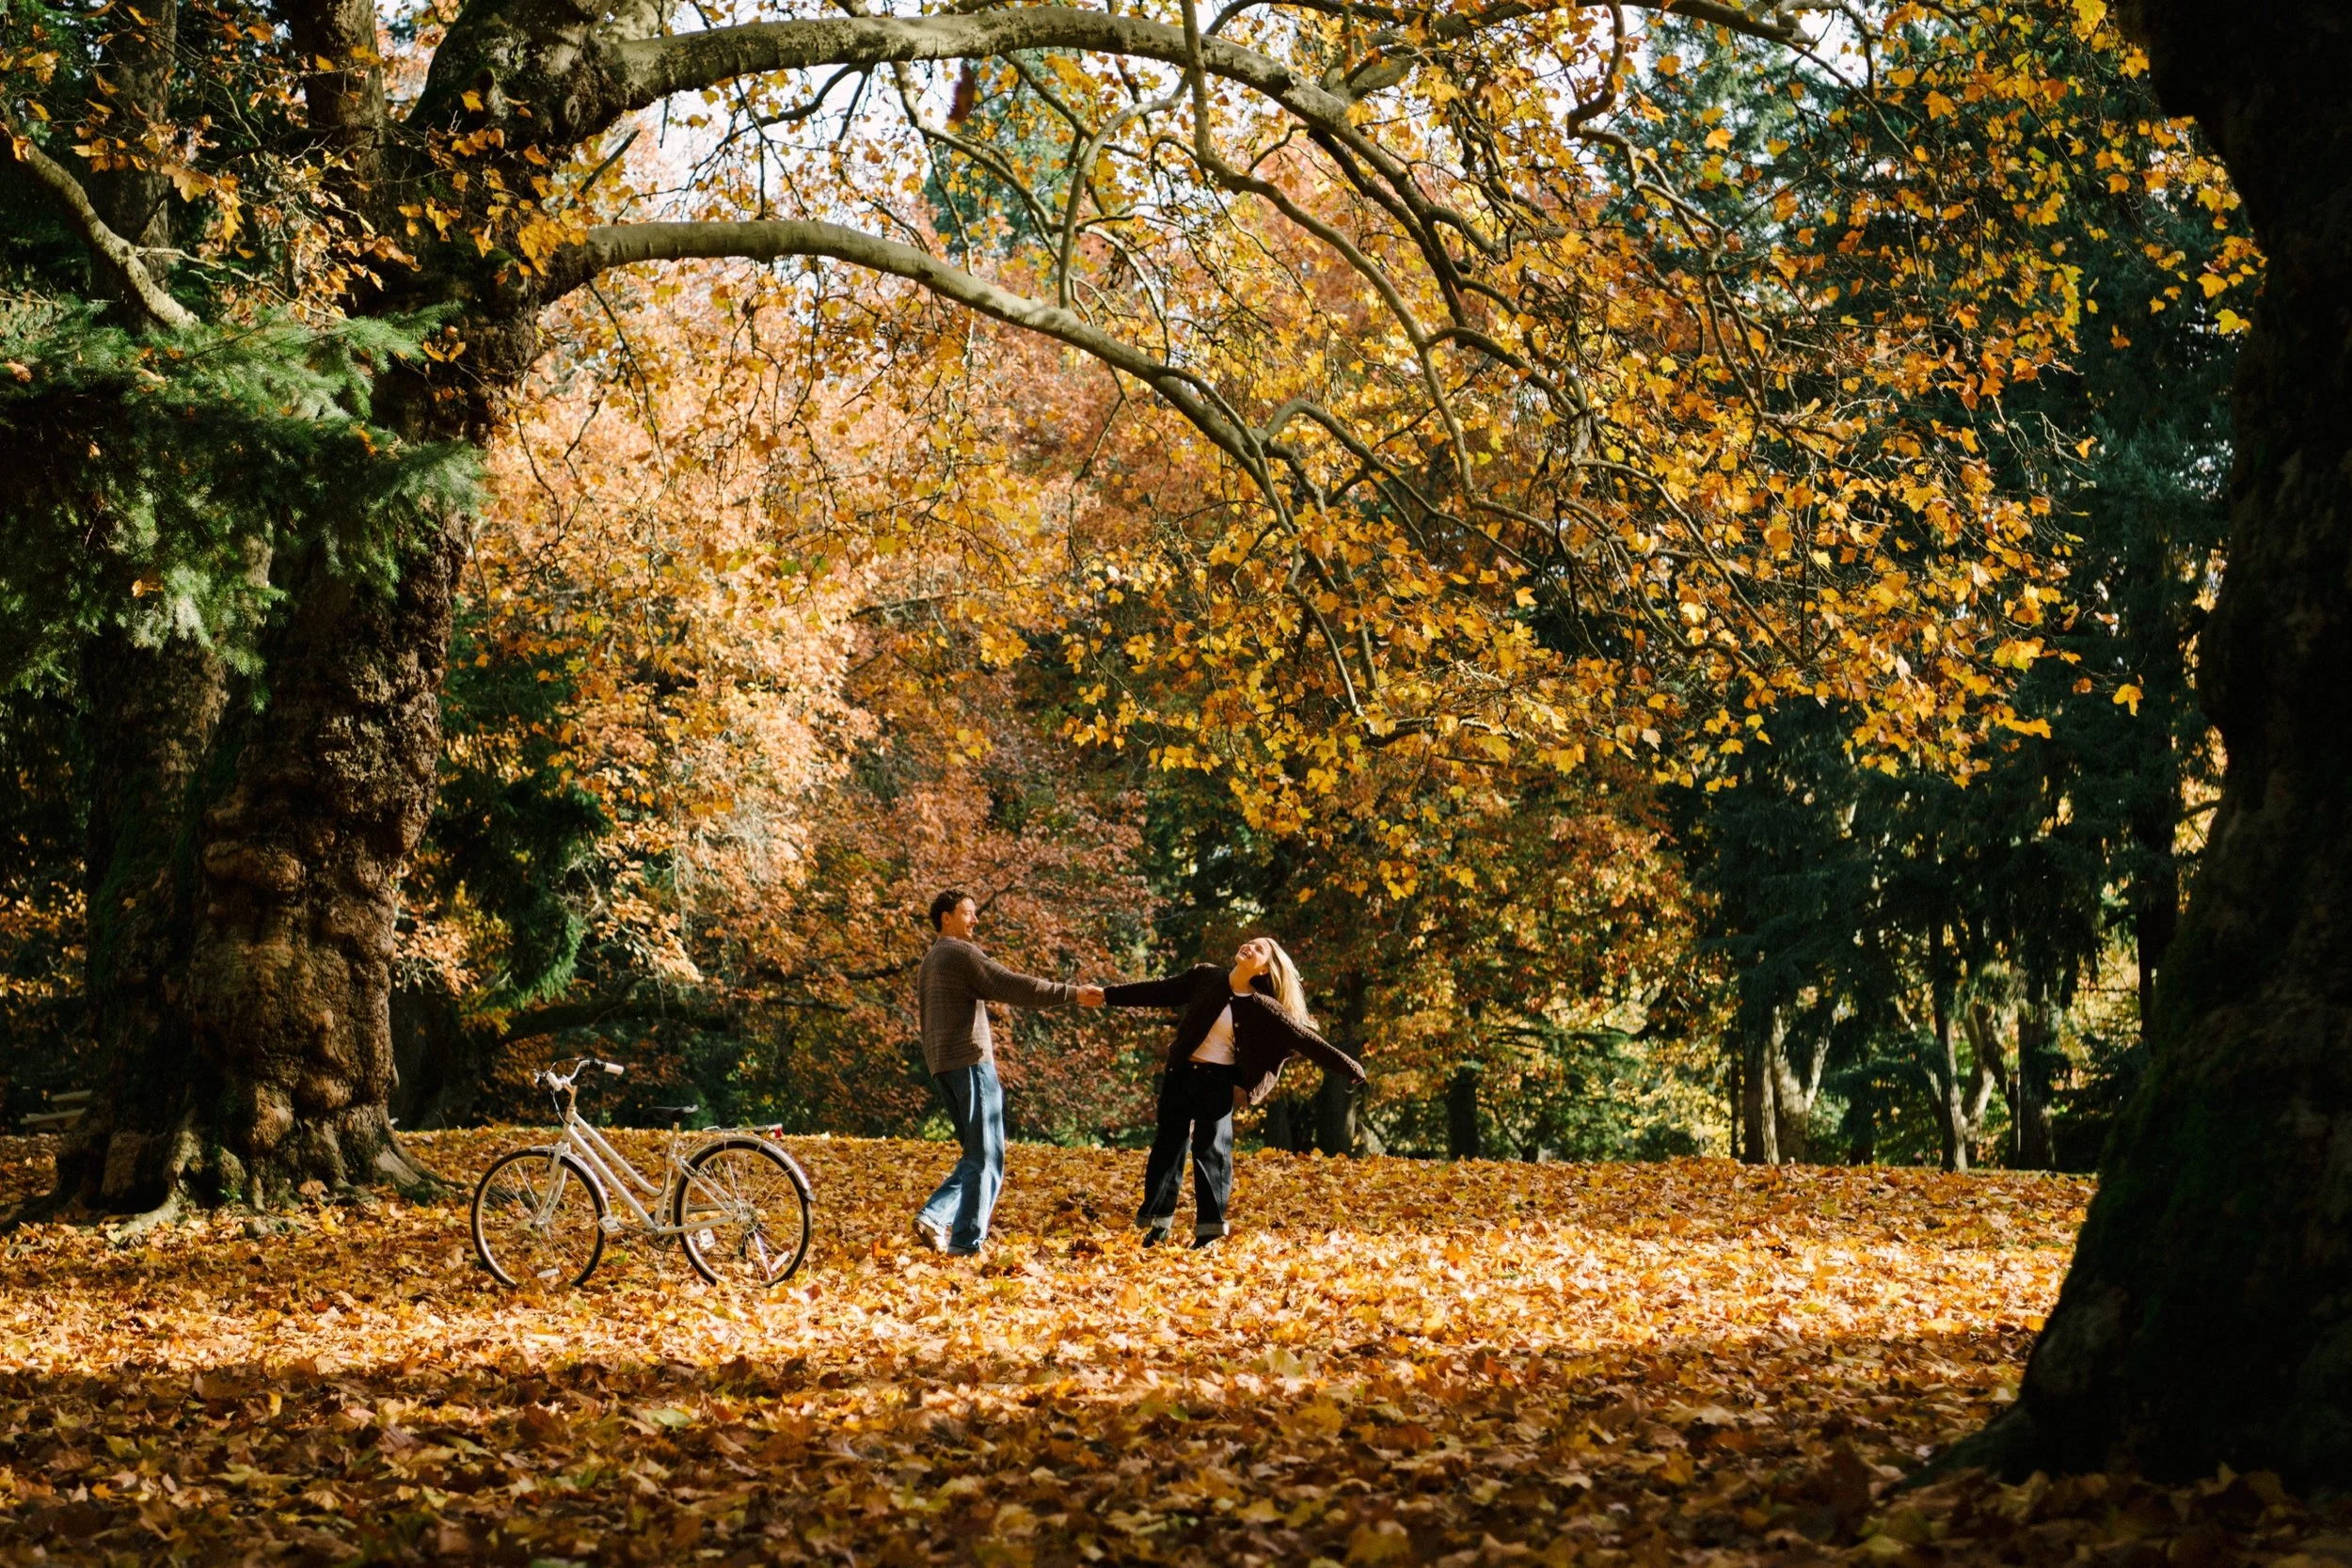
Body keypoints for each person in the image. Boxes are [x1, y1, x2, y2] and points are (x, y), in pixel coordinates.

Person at [1104, 937, 1364, 1249]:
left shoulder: (1264, 1008)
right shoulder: (1206, 977)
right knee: (1167, 1149)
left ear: (1265, 968)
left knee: (1212, 1153)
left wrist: (1350, 1067)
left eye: (1259, 950)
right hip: (1180, 1074)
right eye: (1249, 943)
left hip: (1216, 1082)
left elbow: (1305, 1039)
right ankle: (1158, 1226)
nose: (1249, 948)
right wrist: (1108, 995)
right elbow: (1159, 991)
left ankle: (1209, 1231)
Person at [913, 889, 1104, 1256]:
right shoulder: (959, 953)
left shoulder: (930, 960)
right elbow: (1012, 984)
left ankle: (935, 1217)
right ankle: (965, 1244)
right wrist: (1072, 993)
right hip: (969, 1063)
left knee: (977, 1156)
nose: (975, 920)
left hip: (943, 1066)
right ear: (946, 919)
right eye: (968, 913)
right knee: (987, 1158)